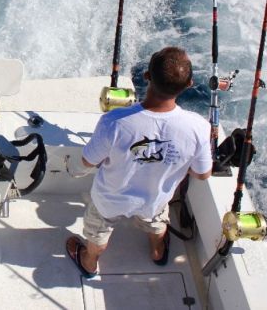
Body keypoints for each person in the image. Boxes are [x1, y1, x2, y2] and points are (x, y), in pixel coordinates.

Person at [66, 46, 212, 278]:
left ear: (146, 77)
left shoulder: (113, 121)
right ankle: (156, 251)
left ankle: (89, 261)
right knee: (156, 225)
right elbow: (202, 174)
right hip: (154, 202)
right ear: (189, 85)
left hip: (109, 200)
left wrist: (72, 170)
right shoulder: (199, 128)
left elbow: (87, 161)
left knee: (97, 235)